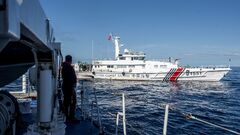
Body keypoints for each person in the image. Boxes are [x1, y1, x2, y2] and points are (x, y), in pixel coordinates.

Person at [61, 55, 77, 122]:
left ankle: (66, 116)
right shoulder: (68, 67)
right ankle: (71, 117)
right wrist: (72, 86)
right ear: (70, 60)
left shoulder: (64, 67)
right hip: (69, 87)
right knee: (73, 102)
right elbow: (70, 78)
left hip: (66, 86)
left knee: (66, 102)